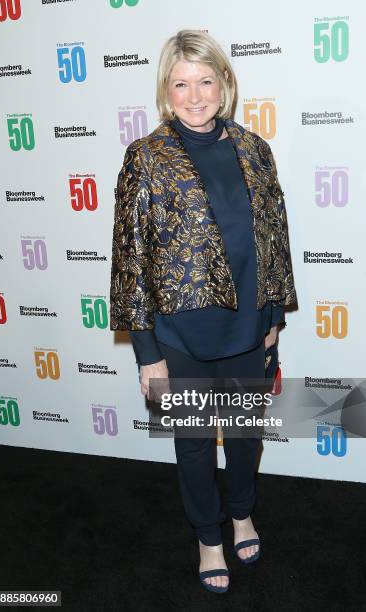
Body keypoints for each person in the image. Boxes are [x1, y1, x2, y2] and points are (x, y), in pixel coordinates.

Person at [109, 29, 296, 593]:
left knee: (244, 437)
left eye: (206, 81)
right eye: (182, 83)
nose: (195, 96)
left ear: (225, 84)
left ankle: (241, 512)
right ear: (167, 91)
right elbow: (130, 261)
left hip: (247, 331)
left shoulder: (254, 149)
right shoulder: (144, 158)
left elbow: (273, 241)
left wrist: (272, 323)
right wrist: (147, 354)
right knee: (192, 445)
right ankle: (208, 536)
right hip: (178, 339)